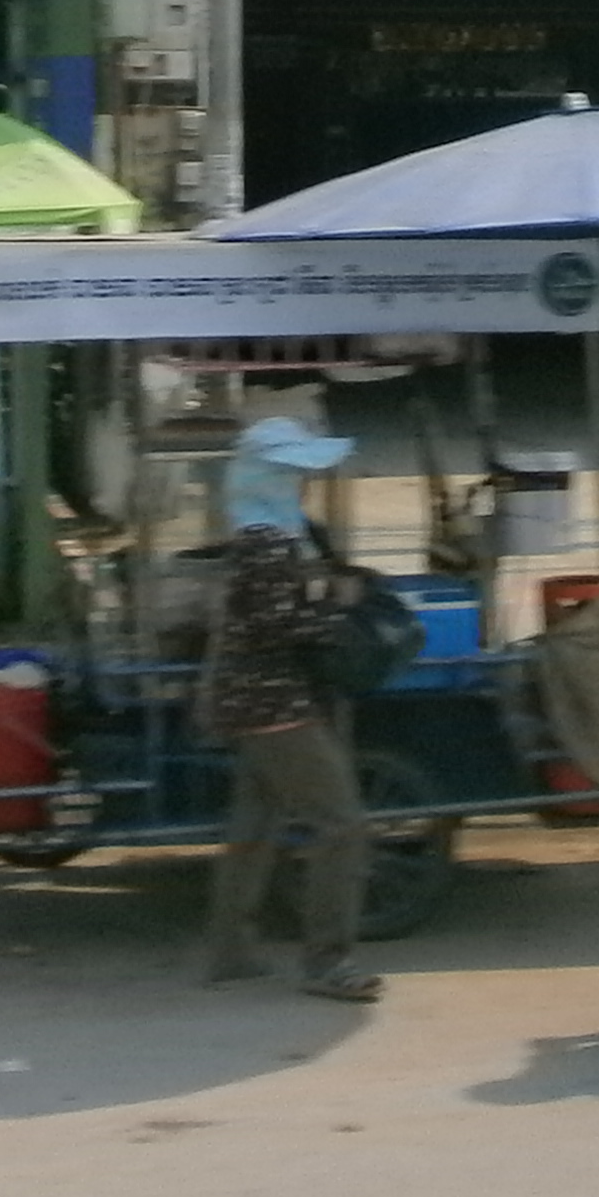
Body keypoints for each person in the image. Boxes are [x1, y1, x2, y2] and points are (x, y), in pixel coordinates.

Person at [197, 415, 382, 1005]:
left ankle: (232, 953)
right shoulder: (268, 543)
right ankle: (328, 962)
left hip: (246, 700)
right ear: (272, 478)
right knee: (343, 825)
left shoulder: (257, 536)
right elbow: (281, 626)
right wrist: (336, 611)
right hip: (275, 702)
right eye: (296, 475)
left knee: (254, 827)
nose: (304, 486)